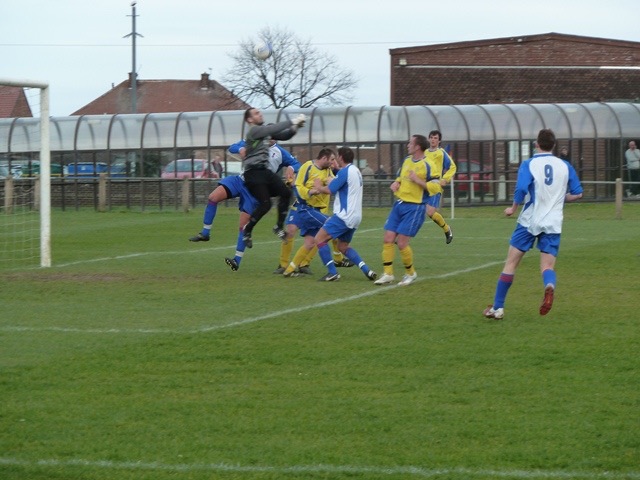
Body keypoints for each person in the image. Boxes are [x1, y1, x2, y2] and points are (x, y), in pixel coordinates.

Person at [483, 128, 583, 320]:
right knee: (547, 266)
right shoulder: (565, 166)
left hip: (530, 220)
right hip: (553, 222)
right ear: (553, 146)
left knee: (511, 263)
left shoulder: (529, 164)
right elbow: (578, 193)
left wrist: (512, 208)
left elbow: (521, 188)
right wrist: (559, 198)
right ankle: (549, 286)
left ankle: (498, 308)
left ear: (536, 144)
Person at [188, 141, 300, 272]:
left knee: (243, 226)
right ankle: (205, 233)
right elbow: (232, 147)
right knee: (213, 197)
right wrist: (241, 149)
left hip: (255, 191)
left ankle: (236, 260)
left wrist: (292, 168)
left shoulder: (280, 152)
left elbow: (297, 164)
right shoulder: (255, 142)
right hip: (240, 181)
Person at [374, 134, 441, 286]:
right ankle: (388, 274)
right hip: (399, 204)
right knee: (388, 239)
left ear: (417, 146)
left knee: (402, 243)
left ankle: (410, 273)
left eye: (410, 143)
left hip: (415, 207)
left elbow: (436, 186)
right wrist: (396, 183)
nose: (407, 145)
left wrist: (418, 181)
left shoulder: (428, 164)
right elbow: (400, 177)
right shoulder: (406, 161)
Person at [306, 146, 378, 282]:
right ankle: (367, 270)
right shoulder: (355, 170)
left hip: (344, 216)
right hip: (356, 217)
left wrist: (318, 186)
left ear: (341, 157)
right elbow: (343, 182)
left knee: (319, 239)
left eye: (337, 156)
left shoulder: (344, 172)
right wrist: (334, 175)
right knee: (342, 247)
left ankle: (332, 272)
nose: (336, 159)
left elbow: (329, 190)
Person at [240, 107, 306, 248]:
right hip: (253, 174)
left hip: (264, 171)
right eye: (256, 113)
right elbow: (272, 129)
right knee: (266, 204)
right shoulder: (253, 131)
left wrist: (295, 127)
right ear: (249, 119)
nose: (260, 114)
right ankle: (247, 230)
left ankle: (278, 226)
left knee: (286, 193)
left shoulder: (264, 134)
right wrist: (292, 120)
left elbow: (285, 135)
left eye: (260, 112)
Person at [281, 148, 337, 277]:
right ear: (324, 158)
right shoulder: (308, 166)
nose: (333, 163)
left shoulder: (328, 170)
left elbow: (333, 184)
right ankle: (335, 267)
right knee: (332, 226)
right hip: (305, 208)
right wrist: (312, 191)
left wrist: (328, 184)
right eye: (332, 159)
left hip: (317, 209)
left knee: (311, 242)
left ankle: (291, 269)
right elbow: (298, 186)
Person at [424, 130, 456, 244]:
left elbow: (452, 167)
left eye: (435, 138)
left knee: (431, 212)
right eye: (431, 137)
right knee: (413, 208)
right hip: (422, 184)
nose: (433, 140)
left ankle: (447, 229)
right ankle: (401, 234)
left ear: (439, 140)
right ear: (428, 139)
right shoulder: (424, 153)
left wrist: (445, 179)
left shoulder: (441, 153)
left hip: (434, 184)